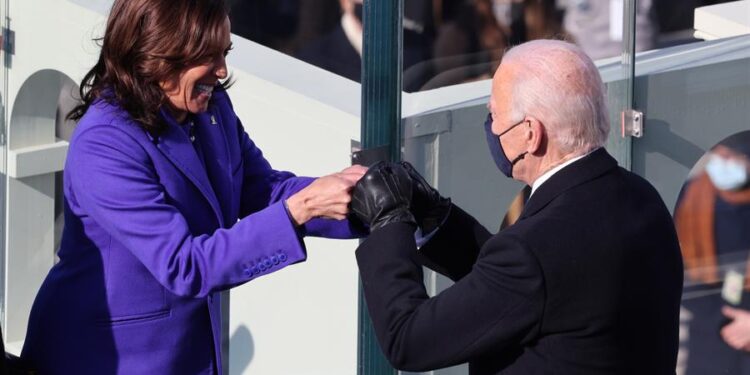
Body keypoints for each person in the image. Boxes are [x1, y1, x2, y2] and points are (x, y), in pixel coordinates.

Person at [20, 1, 365, 374]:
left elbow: (261, 189)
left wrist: (363, 201)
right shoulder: (104, 143)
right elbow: (184, 265)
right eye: (208, 56)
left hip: (185, 355)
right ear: (157, 53)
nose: (222, 71)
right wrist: (301, 210)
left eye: (225, 53)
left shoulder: (211, 109)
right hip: (107, 359)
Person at [350, 39, 683, 373]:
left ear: (530, 134)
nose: (491, 127)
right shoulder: (641, 198)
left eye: (494, 115)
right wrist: (438, 218)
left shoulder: (534, 251)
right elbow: (524, 289)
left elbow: (409, 341)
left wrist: (388, 221)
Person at [675, 131, 750, 374]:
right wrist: (723, 319)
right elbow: (682, 270)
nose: (724, 165)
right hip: (709, 344)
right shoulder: (697, 195)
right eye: (722, 156)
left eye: (733, 158)